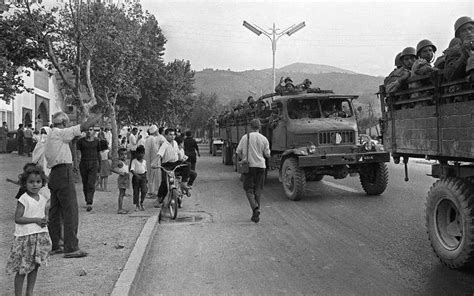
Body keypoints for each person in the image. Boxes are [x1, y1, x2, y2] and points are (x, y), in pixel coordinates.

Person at [45, 109, 103, 258]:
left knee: (55, 211)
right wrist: (99, 114)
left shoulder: (51, 135)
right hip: (64, 172)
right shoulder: (61, 133)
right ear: (64, 122)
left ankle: (56, 244)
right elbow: (83, 126)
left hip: (54, 174)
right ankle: (71, 247)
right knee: (70, 211)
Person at [6, 165, 51, 296]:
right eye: (31, 182)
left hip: (39, 236)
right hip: (25, 237)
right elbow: (18, 218)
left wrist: (44, 219)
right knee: (22, 269)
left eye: (38, 182)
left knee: (35, 266)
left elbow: (43, 215)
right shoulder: (23, 199)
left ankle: (29, 292)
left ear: (43, 183)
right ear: (25, 183)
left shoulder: (43, 199)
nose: (35, 185)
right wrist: (36, 220)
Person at [236, 119, 270, 223]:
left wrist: (244, 159)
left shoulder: (245, 137)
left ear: (250, 127)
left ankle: (255, 208)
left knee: (248, 189)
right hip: (261, 166)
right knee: (258, 190)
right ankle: (256, 215)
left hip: (249, 167)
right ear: (259, 127)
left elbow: (238, 152)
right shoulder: (264, 139)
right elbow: (267, 155)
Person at [155, 128, 191, 204]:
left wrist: (183, 158)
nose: (172, 136)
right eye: (170, 135)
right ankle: (159, 198)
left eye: (173, 134)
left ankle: (184, 183)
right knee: (165, 182)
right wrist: (154, 163)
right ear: (165, 135)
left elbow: (178, 152)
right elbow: (159, 154)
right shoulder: (164, 144)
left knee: (187, 165)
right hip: (166, 165)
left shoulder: (175, 143)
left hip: (175, 163)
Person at [77, 126, 101, 212]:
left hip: (93, 163)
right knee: (85, 183)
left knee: (91, 183)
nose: (89, 131)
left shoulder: (97, 141)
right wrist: (76, 164)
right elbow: (78, 153)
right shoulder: (80, 141)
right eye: (87, 130)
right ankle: (87, 199)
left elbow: (99, 154)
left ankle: (89, 202)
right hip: (83, 163)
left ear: (94, 131)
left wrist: (100, 166)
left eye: (90, 130)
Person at [444, 16, 474, 81]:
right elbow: (449, 75)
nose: (468, 32)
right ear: (458, 36)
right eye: (463, 30)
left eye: (470, 28)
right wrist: (464, 55)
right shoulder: (454, 51)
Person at [144, 125, 164, 200]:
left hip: (151, 160)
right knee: (154, 176)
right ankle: (152, 192)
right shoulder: (152, 139)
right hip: (153, 160)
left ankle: (151, 191)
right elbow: (155, 151)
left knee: (151, 176)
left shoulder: (150, 138)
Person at [111, 148, 130, 214]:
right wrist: (120, 173)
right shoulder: (120, 162)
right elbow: (112, 169)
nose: (124, 156)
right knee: (121, 194)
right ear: (119, 155)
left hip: (126, 178)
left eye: (125, 154)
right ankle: (120, 209)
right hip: (122, 179)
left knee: (123, 193)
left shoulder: (125, 162)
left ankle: (121, 207)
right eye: (122, 154)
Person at [130, 145, 147, 211]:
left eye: (142, 153)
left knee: (144, 191)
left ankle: (142, 202)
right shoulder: (134, 161)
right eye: (139, 153)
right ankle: (137, 205)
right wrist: (137, 176)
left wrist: (145, 177)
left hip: (143, 177)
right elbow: (132, 170)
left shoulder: (144, 161)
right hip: (136, 177)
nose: (141, 155)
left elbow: (145, 170)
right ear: (137, 154)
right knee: (136, 191)